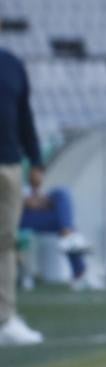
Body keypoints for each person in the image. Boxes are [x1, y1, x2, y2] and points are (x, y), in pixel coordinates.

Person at [0, 47, 44, 344]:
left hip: (10, 162)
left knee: (5, 241)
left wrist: (36, 159)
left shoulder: (13, 64)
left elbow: (24, 114)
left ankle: (5, 317)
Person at [20, 169, 90, 288]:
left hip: (34, 213)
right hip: (19, 217)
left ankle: (67, 232)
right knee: (64, 222)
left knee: (62, 193)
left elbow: (38, 202)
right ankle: (79, 270)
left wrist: (38, 200)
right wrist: (29, 202)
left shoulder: (24, 184)